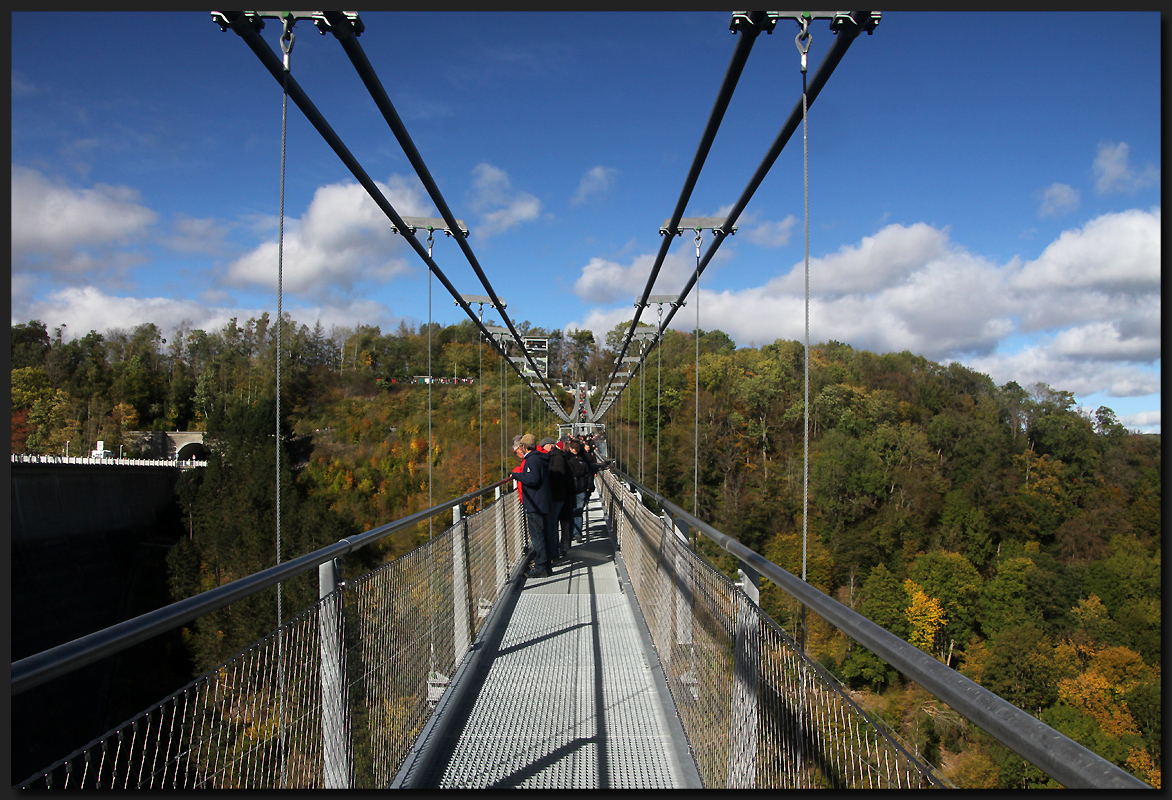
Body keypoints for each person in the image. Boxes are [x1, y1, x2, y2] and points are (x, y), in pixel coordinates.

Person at [512, 433, 551, 578]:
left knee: (537, 536)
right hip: (543, 502)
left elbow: (532, 479)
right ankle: (546, 567)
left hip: (535, 503)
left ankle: (541, 567)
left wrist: (517, 475)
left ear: (523, 446)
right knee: (542, 535)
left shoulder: (531, 460)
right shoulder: (542, 458)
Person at [541, 437, 575, 561]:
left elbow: (558, 477)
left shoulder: (556, 458)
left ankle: (554, 552)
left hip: (557, 496)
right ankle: (559, 548)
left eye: (543, 446)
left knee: (552, 524)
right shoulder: (557, 457)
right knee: (557, 523)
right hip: (560, 496)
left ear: (549, 446)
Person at [564, 437, 592, 545]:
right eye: (573, 448)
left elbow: (589, 472)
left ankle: (578, 533)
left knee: (579, 511)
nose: (575, 449)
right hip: (570, 489)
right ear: (570, 448)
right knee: (571, 512)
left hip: (581, 488)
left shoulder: (585, 459)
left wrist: (589, 486)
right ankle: (571, 532)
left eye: (577, 447)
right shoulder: (566, 459)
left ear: (580, 448)